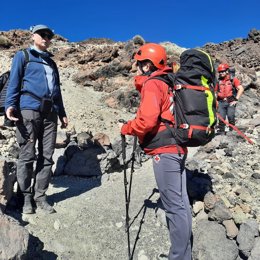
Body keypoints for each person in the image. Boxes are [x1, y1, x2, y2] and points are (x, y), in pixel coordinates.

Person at [118, 43, 192, 260]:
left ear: (148, 65)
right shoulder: (170, 82)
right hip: (178, 147)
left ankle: (179, 257)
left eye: (140, 64)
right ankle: (184, 254)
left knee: (174, 208)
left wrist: (127, 127)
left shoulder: (153, 84)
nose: (137, 68)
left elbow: (147, 121)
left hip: (165, 151)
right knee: (181, 204)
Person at [5, 24, 68, 214]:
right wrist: (10, 104)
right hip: (28, 111)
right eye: (43, 34)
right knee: (27, 155)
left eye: (49, 36)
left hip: (51, 114)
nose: (46, 38)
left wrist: (62, 112)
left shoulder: (51, 62)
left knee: (47, 156)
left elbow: (56, 90)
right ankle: (25, 197)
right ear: (33, 35)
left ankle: (40, 196)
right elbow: (14, 81)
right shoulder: (23, 56)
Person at [216, 63, 244, 134]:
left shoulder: (233, 79)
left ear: (227, 71)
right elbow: (215, 91)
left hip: (230, 101)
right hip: (221, 102)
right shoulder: (218, 81)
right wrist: (216, 101)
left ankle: (232, 133)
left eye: (222, 71)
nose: (221, 73)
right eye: (220, 72)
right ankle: (221, 133)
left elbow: (241, 89)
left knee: (230, 116)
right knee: (221, 118)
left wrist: (236, 99)